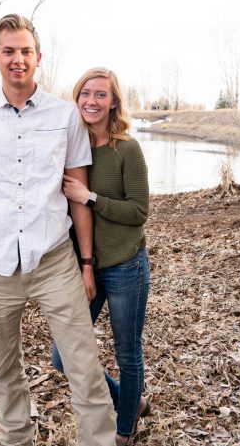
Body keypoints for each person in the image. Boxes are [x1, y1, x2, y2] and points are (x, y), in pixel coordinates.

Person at [0, 15, 116, 446]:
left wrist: (87, 264)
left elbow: (77, 196)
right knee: (5, 372)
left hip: (54, 259)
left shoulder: (66, 117)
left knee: (84, 368)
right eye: (9, 51)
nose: (17, 59)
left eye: (25, 51)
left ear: (38, 58)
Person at [51, 67, 151, 446]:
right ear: (77, 99)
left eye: (100, 95)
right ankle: (128, 400)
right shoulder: (67, 149)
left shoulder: (127, 149)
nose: (91, 101)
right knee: (63, 357)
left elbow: (139, 212)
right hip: (84, 267)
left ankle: (125, 429)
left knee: (128, 353)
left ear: (113, 103)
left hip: (127, 266)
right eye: (85, 94)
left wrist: (89, 197)